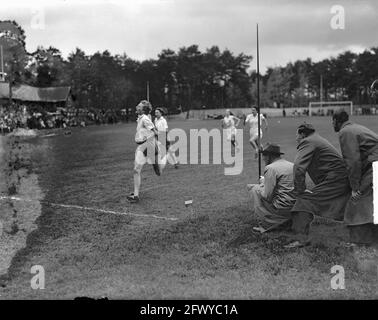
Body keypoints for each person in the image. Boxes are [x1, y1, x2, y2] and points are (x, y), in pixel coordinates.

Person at [290, 123, 351, 247]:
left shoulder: (308, 141)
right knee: (347, 208)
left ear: (302, 134)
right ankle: (360, 235)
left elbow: (298, 167)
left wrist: (300, 190)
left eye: (296, 135)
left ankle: (300, 239)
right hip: (342, 178)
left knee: (304, 200)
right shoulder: (317, 139)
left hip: (336, 179)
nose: (296, 138)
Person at [332, 110, 378, 245]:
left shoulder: (345, 132)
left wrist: (355, 187)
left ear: (336, 121)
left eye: (332, 121)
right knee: (371, 202)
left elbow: (353, 162)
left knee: (357, 201)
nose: (332, 124)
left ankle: (359, 241)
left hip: (375, 165)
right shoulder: (356, 127)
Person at [247, 143, 296, 233]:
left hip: (282, 208)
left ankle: (267, 224)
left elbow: (267, 196)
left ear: (269, 156)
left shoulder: (270, 168)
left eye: (264, 155)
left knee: (254, 189)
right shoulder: (291, 165)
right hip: (295, 205)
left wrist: (260, 185)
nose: (263, 158)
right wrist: (265, 181)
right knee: (258, 187)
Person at [127, 100, 168, 203]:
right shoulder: (141, 118)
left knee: (157, 171)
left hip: (148, 144)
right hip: (144, 145)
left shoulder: (145, 119)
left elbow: (155, 132)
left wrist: (163, 143)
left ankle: (163, 158)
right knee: (136, 169)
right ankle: (136, 196)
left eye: (139, 106)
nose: (137, 106)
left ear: (143, 109)